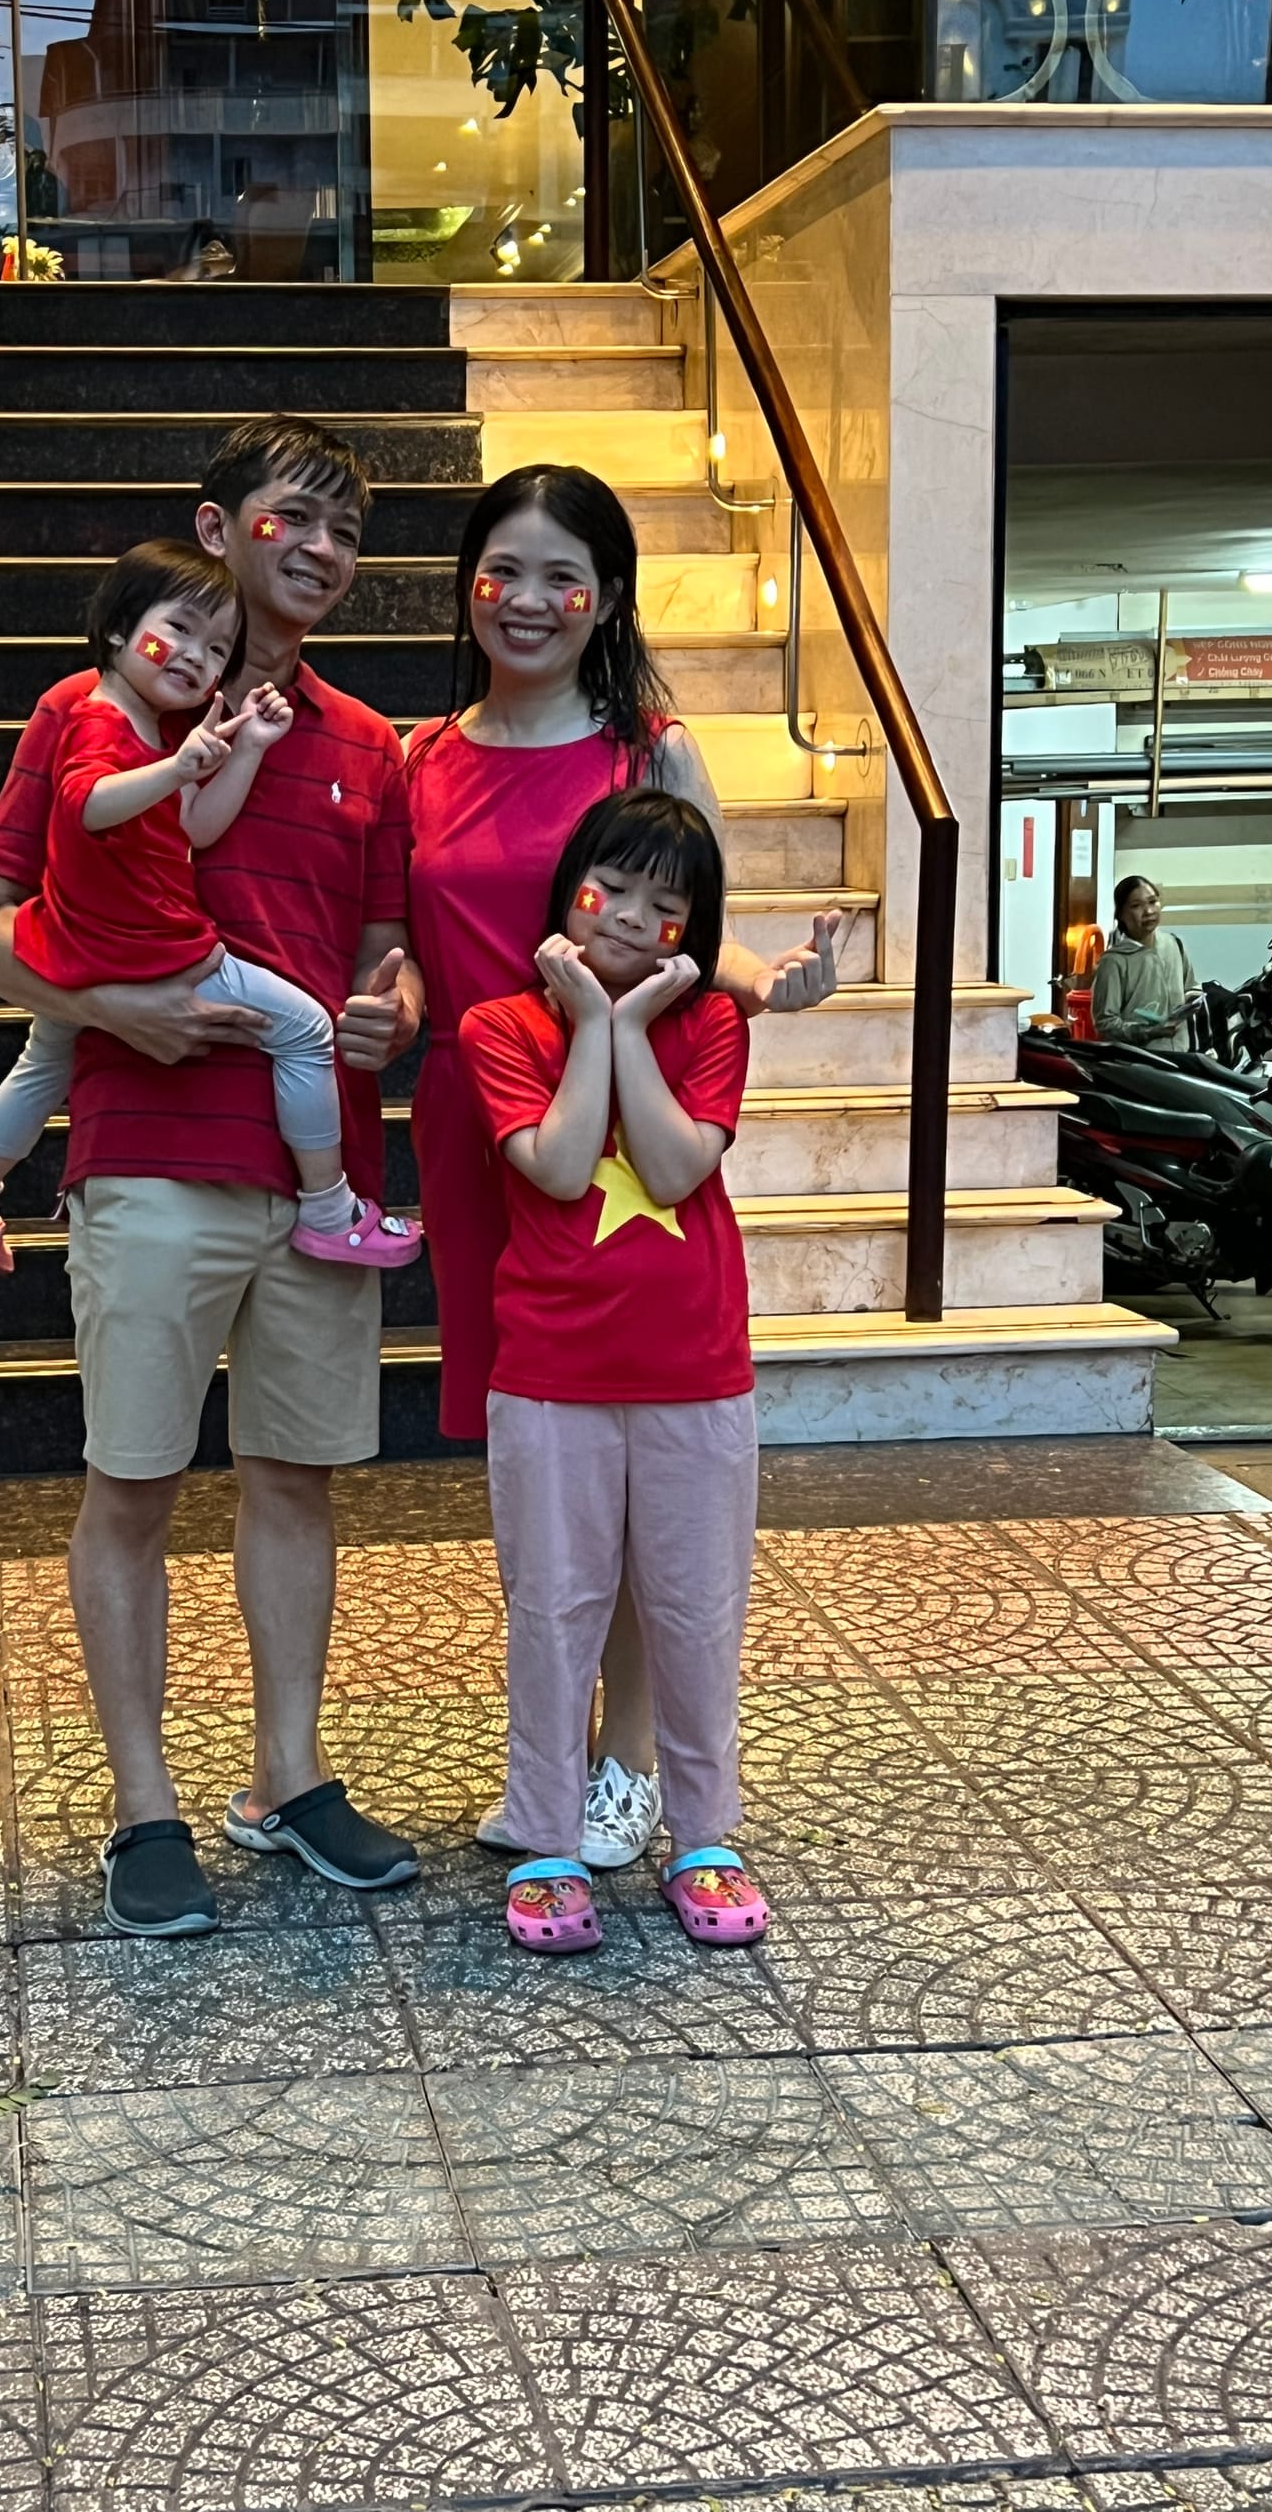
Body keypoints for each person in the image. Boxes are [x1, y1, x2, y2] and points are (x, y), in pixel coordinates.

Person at [0, 415, 427, 1938]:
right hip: (149, 1156)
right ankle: (144, 1806)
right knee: (134, 1480)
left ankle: (288, 1778)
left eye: (347, 530)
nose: (323, 551)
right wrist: (106, 1008)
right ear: (217, 531)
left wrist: (394, 1010)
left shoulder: (367, 745)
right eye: (294, 519)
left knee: (295, 1476)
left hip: (316, 1174)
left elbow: (384, 953)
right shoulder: (93, 712)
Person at [405, 463, 842, 1872]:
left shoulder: (648, 748)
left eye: (563, 576)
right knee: (546, 1457)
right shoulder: (422, 756)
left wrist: (769, 984)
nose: (528, 600)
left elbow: (697, 928)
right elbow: (404, 941)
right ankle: (553, 1755)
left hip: (632, 1130)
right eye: (504, 570)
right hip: (492, 1119)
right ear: (467, 583)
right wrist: (392, 1001)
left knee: (645, 1442)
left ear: (606, 600)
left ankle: (630, 1760)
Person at [460, 788, 770, 1954]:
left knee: (695, 1609)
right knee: (552, 1610)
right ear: (569, 891)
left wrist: (628, 1026)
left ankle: (702, 1836)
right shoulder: (498, 1027)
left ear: (691, 931)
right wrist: (590, 1021)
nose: (632, 917)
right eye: (612, 888)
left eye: (663, 904)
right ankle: (545, 1840)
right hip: (549, 1373)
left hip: (698, 1370)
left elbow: (677, 1167)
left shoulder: (713, 1025)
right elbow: (550, 1166)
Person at [0, 539, 421, 1279]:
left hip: (80, 945)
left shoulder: (160, 728)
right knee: (305, 1028)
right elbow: (86, 802)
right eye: (180, 631)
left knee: (43, 1059)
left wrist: (243, 749)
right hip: (151, 945)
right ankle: (328, 1208)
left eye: (218, 648)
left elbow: (195, 826)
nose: (197, 656)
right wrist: (176, 766)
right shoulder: (96, 718)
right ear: (117, 630)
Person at [1090, 874, 1198, 1050]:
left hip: (1180, 1054)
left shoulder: (1174, 944)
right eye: (1136, 906)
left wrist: (1192, 1002)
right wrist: (1148, 1032)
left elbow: (1191, 988)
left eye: (1153, 902)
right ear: (1121, 914)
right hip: (1138, 1059)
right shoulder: (1114, 961)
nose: (1148, 911)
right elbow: (1105, 1023)